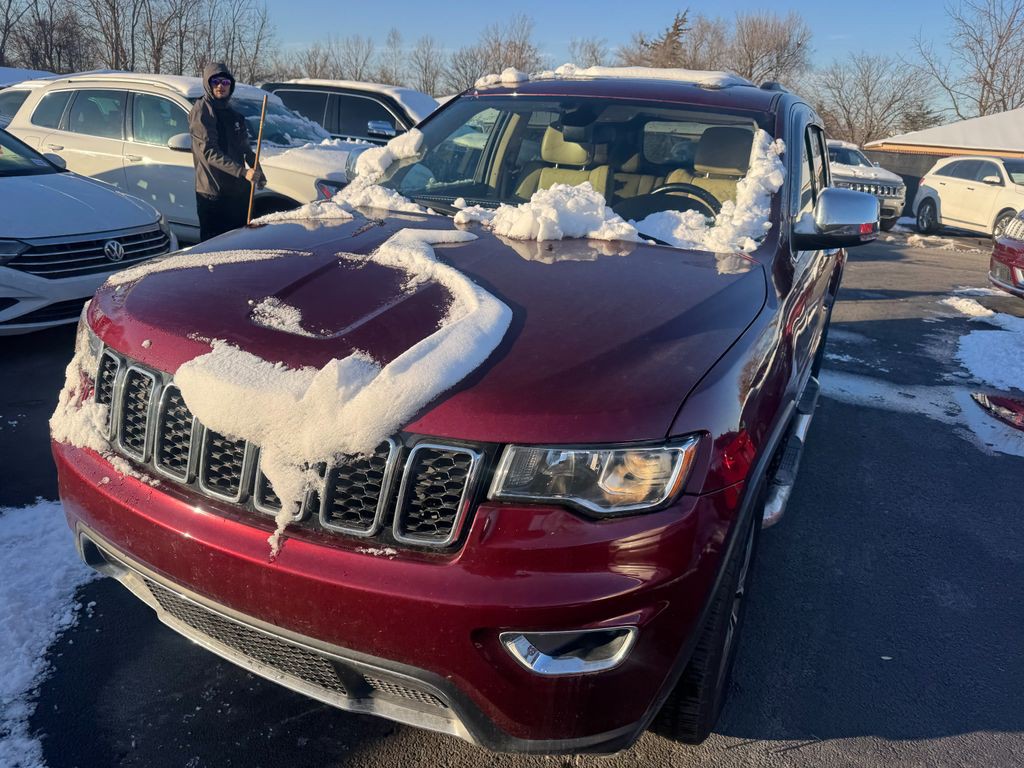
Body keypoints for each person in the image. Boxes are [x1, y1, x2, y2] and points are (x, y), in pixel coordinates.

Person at [189, 62, 263, 241]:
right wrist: (243, 172)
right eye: (215, 82)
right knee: (215, 251)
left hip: (237, 193)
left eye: (225, 82)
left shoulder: (234, 114)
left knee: (239, 245)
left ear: (231, 85)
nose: (220, 86)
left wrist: (258, 170)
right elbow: (209, 152)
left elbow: (245, 148)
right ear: (208, 83)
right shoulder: (202, 111)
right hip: (214, 194)